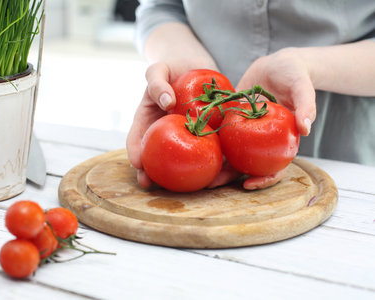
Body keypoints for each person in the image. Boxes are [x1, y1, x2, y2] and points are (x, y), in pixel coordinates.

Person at [126, 0, 375, 190]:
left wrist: (308, 65)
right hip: (195, 95)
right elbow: (160, 7)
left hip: (346, 158)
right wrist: (179, 57)